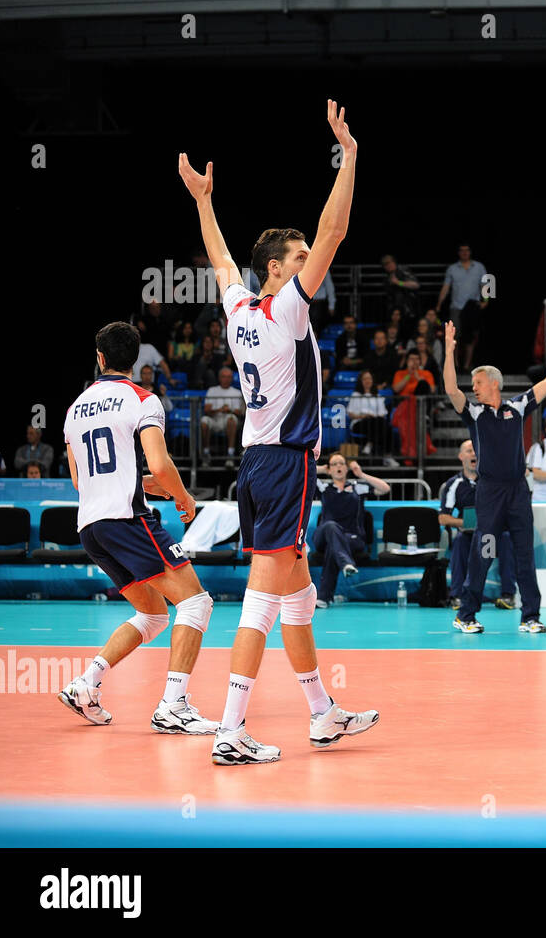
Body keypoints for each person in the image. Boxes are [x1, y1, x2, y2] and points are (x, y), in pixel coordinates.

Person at [180, 99, 378, 765]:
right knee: (262, 600)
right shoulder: (289, 308)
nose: (306, 263)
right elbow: (335, 231)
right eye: (296, 258)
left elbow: (220, 261)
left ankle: (322, 715)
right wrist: (348, 156)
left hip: (256, 464)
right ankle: (231, 729)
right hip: (284, 462)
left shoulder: (239, 305)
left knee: (300, 593)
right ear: (279, 269)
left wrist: (204, 202)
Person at [57, 321, 219, 734]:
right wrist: (182, 497)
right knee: (196, 603)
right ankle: (173, 706)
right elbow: (161, 464)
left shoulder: (75, 409)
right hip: (127, 519)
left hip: (91, 527)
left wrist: (144, 482)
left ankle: (85, 683)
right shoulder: (143, 399)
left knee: (153, 614)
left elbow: (81, 481)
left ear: (100, 357)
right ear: (137, 358)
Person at [443, 314, 546, 635]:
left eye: (478, 383)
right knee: (484, 551)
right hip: (490, 492)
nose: (474, 388)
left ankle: (530, 616)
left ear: (494, 383)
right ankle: (466, 614)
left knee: (525, 554)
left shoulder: (518, 406)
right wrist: (449, 350)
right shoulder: (474, 412)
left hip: (518, 491)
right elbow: (451, 388)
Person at [438, 440, 517, 611]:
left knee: (506, 538)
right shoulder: (454, 484)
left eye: (476, 450)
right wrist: (468, 523)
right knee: (459, 540)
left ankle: (508, 595)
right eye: (468, 450)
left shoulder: (494, 481)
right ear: (461, 457)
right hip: (469, 535)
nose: (473, 453)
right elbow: (443, 518)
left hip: (493, 535)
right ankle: (457, 595)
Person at [311, 453, 389, 608]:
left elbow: (385, 488)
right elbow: (303, 471)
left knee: (332, 548)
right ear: (329, 469)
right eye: (334, 464)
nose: (338, 467)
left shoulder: (357, 488)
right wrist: (322, 469)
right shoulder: (324, 487)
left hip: (352, 538)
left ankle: (324, 598)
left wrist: (361, 474)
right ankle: (346, 563)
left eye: (341, 463)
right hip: (325, 535)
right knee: (330, 526)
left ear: (347, 468)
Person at [201, 365, 244, 460]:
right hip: (214, 419)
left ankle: (230, 453)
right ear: (219, 378)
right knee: (204, 421)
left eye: (229, 377)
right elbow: (206, 410)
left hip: (228, 421)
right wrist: (220, 410)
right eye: (224, 376)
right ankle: (206, 453)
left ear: (232, 378)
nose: (226, 379)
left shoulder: (237, 392)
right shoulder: (212, 390)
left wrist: (229, 410)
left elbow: (239, 412)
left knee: (231, 419)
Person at [347, 370, 391, 460]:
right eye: (365, 379)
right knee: (378, 424)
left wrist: (373, 416)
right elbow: (351, 414)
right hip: (359, 422)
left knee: (385, 425)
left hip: (376, 422)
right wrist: (363, 416)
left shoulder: (377, 396)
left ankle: (370, 445)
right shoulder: (356, 395)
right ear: (361, 381)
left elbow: (382, 413)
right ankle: (385, 456)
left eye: (369, 378)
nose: (367, 381)